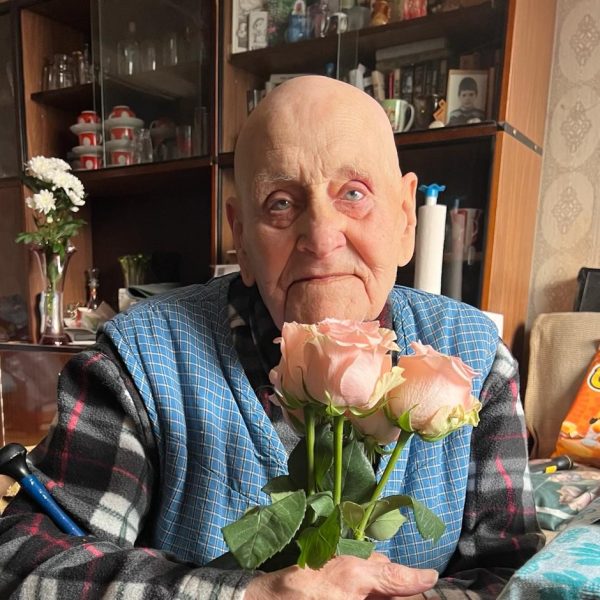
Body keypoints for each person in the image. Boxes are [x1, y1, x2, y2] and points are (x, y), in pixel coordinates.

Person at [0, 76, 542, 599]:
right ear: (241, 236)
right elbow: (23, 564)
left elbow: (515, 576)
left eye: (353, 193)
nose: (321, 238)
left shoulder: (473, 360)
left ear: (405, 218)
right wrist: (247, 596)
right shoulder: (137, 363)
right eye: (280, 202)